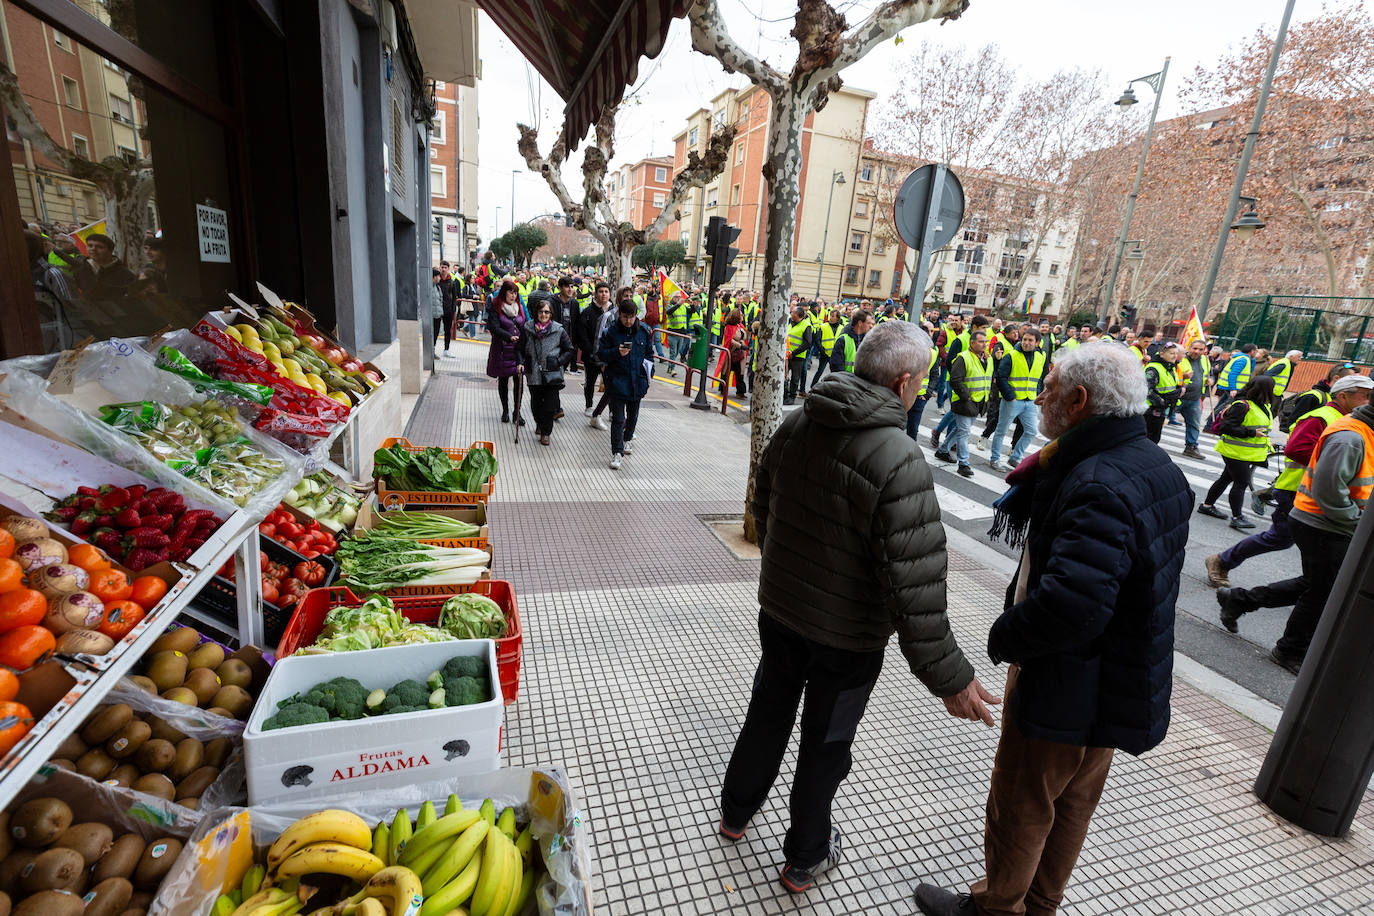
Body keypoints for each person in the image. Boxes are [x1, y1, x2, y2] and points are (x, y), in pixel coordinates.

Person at [914, 342, 1192, 916]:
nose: (1038, 396)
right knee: (1073, 802)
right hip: (1119, 673)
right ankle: (1040, 904)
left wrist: (1006, 635)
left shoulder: (1095, 480)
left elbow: (1073, 604)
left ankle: (996, 906)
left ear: (1080, 400)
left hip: (1067, 678)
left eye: (1048, 388)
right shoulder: (1153, 463)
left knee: (1022, 801)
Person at [722, 320, 996, 896]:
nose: (921, 390)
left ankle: (736, 812)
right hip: (846, 639)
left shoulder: (797, 421)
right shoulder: (899, 459)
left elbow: (763, 503)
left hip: (781, 610)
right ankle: (806, 855)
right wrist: (952, 678)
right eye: (921, 382)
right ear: (902, 382)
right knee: (826, 741)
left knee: (768, 709)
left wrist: (785, 570)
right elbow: (916, 585)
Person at [1209, 374, 1373, 630]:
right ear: (1343, 395)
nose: (1368, 400)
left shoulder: (1353, 421)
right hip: (1297, 492)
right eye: (1364, 395)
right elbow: (1295, 450)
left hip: (1308, 494)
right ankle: (1223, 562)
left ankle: (1243, 597)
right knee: (1283, 542)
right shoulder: (1322, 417)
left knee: (1311, 571)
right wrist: (1329, 463)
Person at [1260, 380, 1374, 673]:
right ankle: (1289, 650)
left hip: (1327, 521)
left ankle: (1240, 600)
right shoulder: (1349, 435)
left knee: (1316, 584)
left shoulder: (1363, 429)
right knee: (1319, 591)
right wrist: (1356, 520)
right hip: (1324, 523)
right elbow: (1328, 488)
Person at [1197, 375, 1277, 530]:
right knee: (1241, 483)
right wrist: (1251, 433)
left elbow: (1260, 428)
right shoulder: (1242, 405)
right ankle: (1237, 517)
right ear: (1265, 390)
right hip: (1234, 451)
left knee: (1225, 479)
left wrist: (1265, 441)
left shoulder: (1262, 406)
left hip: (1244, 452)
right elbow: (1225, 427)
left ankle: (1207, 505)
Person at [597, 299, 653, 470]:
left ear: (637, 316)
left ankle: (628, 439)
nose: (628, 321)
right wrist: (616, 352)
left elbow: (650, 355)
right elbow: (601, 354)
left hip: (638, 381)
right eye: (625, 317)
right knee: (618, 419)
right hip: (617, 381)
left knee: (633, 414)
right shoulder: (611, 332)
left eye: (632, 317)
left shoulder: (644, 331)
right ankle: (617, 452)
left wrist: (648, 374)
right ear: (619, 315)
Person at [933, 330, 993, 478]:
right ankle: (964, 464)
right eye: (980, 342)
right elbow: (955, 380)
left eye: (985, 342)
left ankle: (943, 450)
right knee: (964, 432)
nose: (984, 344)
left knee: (961, 430)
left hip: (979, 402)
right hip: (964, 402)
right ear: (972, 343)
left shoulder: (988, 359)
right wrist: (966, 397)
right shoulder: (963, 358)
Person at [518, 300, 575, 446]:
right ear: (536, 313)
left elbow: (569, 350)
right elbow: (519, 348)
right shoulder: (527, 328)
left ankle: (546, 432)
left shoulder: (559, 330)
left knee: (550, 405)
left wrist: (558, 362)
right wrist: (520, 362)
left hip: (552, 373)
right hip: (533, 371)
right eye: (541, 312)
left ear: (551, 314)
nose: (544, 315)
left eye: (547, 312)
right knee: (536, 404)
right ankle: (539, 422)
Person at [988, 328, 1045, 471]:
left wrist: (1038, 394)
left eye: (1030, 340)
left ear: (1037, 342)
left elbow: (1040, 379)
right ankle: (995, 459)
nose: (1026, 343)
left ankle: (1015, 457)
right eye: (1024, 339)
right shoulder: (1011, 355)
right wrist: (1010, 396)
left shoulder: (1040, 356)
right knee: (1001, 430)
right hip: (1012, 401)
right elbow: (1000, 377)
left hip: (1030, 400)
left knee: (1031, 430)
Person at [485, 280, 526, 424]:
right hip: (502, 349)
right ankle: (505, 410)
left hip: (518, 350)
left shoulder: (519, 307)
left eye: (515, 292)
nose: (513, 295)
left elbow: (525, 323)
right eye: (510, 292)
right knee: (503, 380)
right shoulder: (496, 306)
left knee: (518, 380)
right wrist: (509, 337)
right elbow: (494, 327)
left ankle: (517, 412)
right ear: (504, 293)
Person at [575, 283, 613, 416]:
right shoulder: (587, 312)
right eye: (601, 291)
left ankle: (612, 410)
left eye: (606, 291)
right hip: (591, 356)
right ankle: (589, 406)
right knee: (590, 382)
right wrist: (590, 351)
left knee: (610, 384)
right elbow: (582, 335)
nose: (603, 294)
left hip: (609, 356)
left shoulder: (614, 312)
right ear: (596, 294)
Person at [73, 233, 135, 301]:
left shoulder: (125, 275)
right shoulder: (80, 271)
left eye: (99, 247)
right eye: (90, 245)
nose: (93, 249)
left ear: (110, 251)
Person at [1142, 343, 1183, 444]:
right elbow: (1146, 390)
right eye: (1171, 353)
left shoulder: (1170, 367)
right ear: (1161, 354)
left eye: (1176, 353)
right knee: (1149, 440)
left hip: (1161, 411)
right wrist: (1162, 401)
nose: (1175, 356)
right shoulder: (1153, 368)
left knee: (1154, 439)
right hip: (1149, 412)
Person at [1177, 340, 1210, 460]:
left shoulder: (1204, 360)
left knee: (1194, 423)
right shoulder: (1180, 357)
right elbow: (1171, 372)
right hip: (1178, 396)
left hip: (1195, 397)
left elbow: (1206, 374)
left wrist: (1208, 380)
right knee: (1160, 420)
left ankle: (1191, 447)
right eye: (1195, 348)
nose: (1197, 352)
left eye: (1200, 349)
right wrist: (1183, 376)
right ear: (1189, 348)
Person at [783, 306, 814, 406]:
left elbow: (807, 343)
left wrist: (794, 352)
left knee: (795, 378)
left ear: (798, 315)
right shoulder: (789, 322)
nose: (791, 314)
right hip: (787, 355)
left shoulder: (806, 325)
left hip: (797, 356)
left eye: (793, 313)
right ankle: (784, 395)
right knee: (784, 376)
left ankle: (792, 397)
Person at [716, 309, 749, 397]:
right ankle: (723, 389)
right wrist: (740, 345)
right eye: (741, 315)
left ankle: (740, 392)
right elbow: (729, 340)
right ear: (737, 316)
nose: (743, 316)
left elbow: (744, 337)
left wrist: (742, 344)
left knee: (740, 373)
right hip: (730, 353)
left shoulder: (740, 326)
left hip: (739, 353)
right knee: (726, 372)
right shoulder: (729, 327)